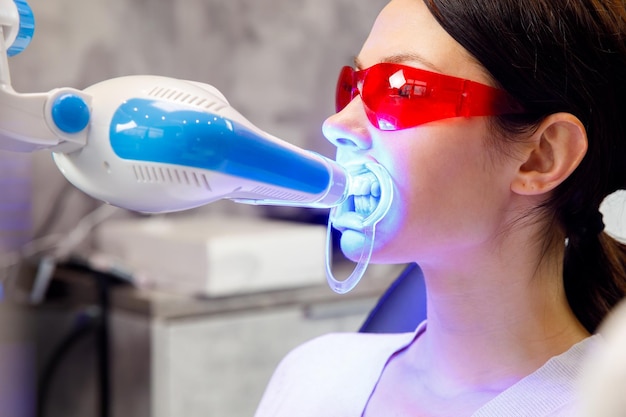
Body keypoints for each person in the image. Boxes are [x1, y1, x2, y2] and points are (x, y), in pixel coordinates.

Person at [253, 0, 626, 415]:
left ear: (542, 155)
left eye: (400, 89)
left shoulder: (598, 405)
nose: (337, 124)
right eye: (352, 87)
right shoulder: (312, 375)